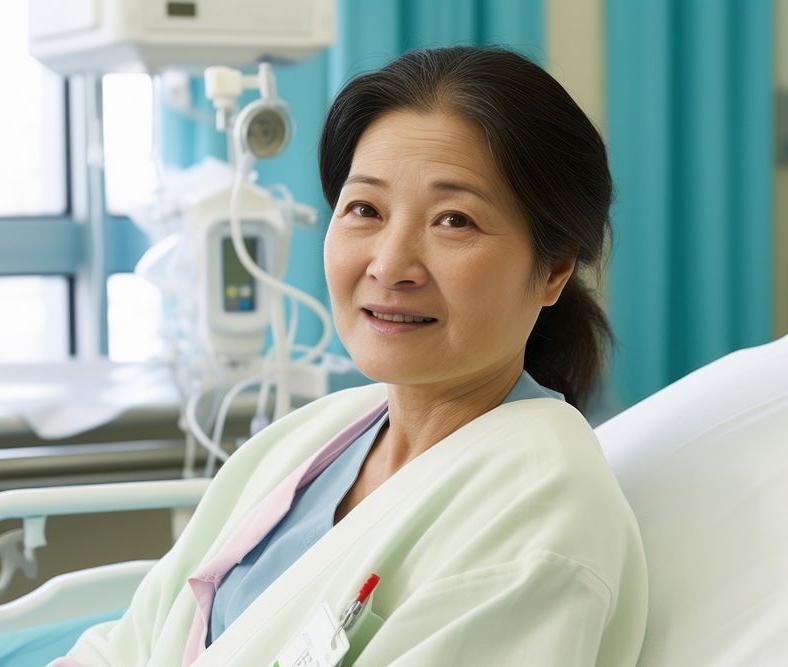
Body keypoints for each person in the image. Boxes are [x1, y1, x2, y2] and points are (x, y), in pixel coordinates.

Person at [54, 46, 648, 666]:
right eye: (365, 209)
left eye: (453, 220)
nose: (389, 265)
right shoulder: (312, 439)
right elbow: (132, 640)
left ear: (552, 270)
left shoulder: (540, 518)